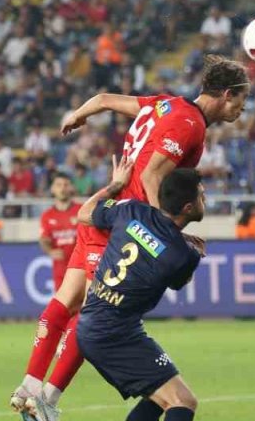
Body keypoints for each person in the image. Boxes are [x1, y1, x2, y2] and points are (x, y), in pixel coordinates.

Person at [11, 55, 250, 420]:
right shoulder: (190, 124)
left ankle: (32, 387)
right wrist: (162, 231)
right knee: (95, 308)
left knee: (69, 298)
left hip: (108, 210)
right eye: (241, 101)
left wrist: (78, 115)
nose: (242, 109)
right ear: (227, 94)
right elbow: (152, 175)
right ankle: (46, 397)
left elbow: (104, 99)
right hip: (122, 225)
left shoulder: (167, 103)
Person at [75, 160, 206, 421]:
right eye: (202, 196)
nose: (206, 199)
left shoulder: (131, 210)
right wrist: (188, 248)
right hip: (113, 334)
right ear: (188, 208)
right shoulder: (184, 255)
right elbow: (179, 279)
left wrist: (115, 185)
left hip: (96, 323)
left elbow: (84, 213)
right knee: (182, 401)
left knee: (159, 398)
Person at [39, 174, 81, 290]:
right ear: (52, 189)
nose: (62, 188)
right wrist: (50, 250)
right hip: (61, 271)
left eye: (66, 185)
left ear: (71, 188)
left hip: (81, 269)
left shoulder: (82, 211)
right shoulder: (47, 216)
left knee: (85, 301)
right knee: (62, 301)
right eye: (58, 185)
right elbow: (44, 239)